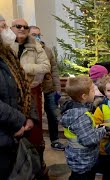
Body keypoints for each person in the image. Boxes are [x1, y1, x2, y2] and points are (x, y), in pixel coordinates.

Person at [0, 14, 38, 179]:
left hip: (12, 135)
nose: (7, 31)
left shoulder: (7, 54)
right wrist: (18, 122)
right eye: (3, 27)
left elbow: (23, 87)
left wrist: (30, 117)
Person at [10, 18, 50, 174]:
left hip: (31, 91)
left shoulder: (35, 45)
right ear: (11, 28)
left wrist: (21, 68)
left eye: (25, 27)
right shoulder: (6, 45)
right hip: (10, 93)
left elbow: (45, 66)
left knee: (34, 129)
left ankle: (36, 164)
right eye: (18, 26)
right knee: (14, 127)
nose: (22, 29)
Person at [60, 76, 107, 180]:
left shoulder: (72, 108)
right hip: (84, 161)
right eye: (92, 90)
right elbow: (89, 140)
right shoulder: (81, 117)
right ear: (84, 96)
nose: (95, 92)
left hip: (76, 157)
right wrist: (103, 130)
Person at [29, 25, 65, 151]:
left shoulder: (47, 50)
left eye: (39, 34)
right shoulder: (25, 49)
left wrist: (58, 89)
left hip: (48, 88)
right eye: (34, 34)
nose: (37, 37)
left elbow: (54, 71)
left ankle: (55, 140)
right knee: (34, 115)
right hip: (32, 89)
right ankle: (35, 142)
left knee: (53, 115)